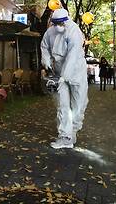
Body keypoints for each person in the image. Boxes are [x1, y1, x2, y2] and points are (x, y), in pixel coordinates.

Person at [41, 8, 89, 149]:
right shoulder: (49, 32)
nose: (58, 27)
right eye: (55, 23)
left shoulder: (74, 31)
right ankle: (65, 136)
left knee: (79, 103)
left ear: (66, 21)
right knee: (62, 105)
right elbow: (44, 46)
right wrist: (47, 61)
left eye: (60, 24)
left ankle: (73, 129)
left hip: (76, 71)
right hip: (57, 72)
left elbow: (73, 56)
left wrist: (65, 76)